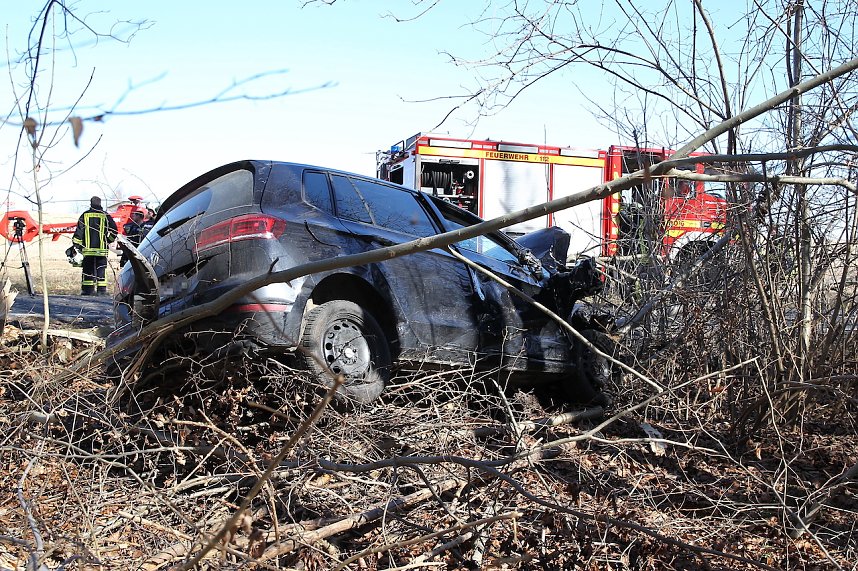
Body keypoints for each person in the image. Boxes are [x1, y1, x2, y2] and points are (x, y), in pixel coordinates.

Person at [72, 196, 118, 295]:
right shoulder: (105, 215)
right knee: (101, 270)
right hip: (101, 250)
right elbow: (114, 230)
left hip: (87, 250)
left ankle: (87, 291)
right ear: (100, 204)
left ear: (90, 203)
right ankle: (101, 291)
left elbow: (79, 232)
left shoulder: (84, 215)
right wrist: (108, 240)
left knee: (88, 270)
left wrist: (77, 246)